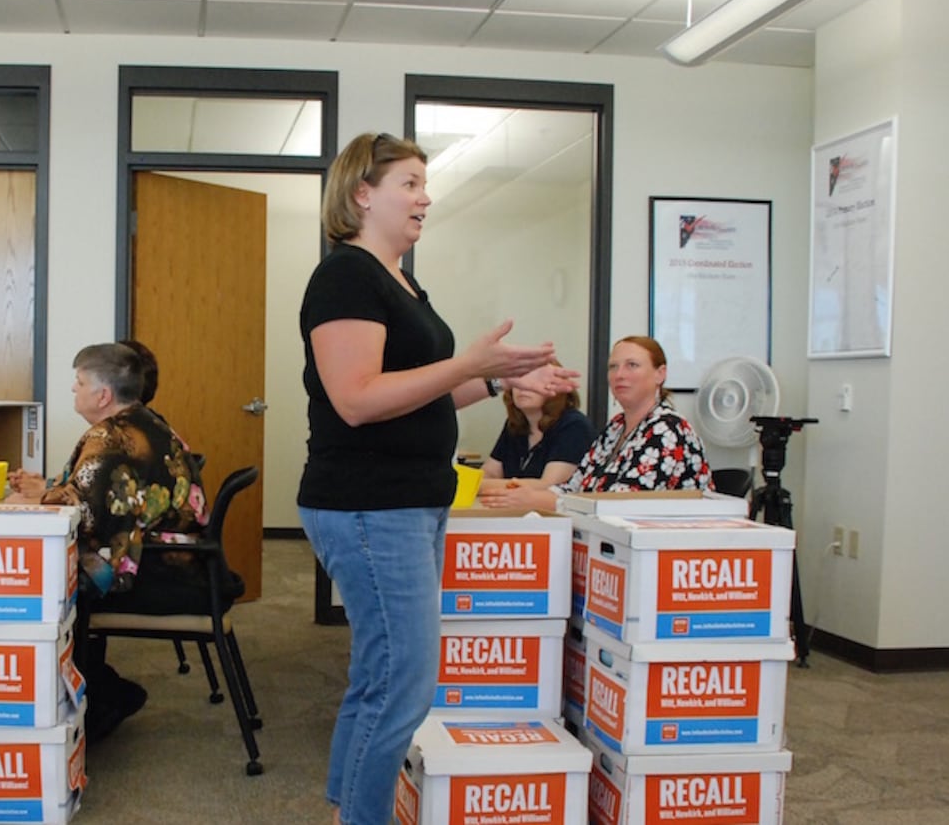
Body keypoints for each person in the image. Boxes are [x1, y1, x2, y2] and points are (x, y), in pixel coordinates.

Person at [296, 132, 577, 825]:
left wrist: (498, 378)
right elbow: (357, 399)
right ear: (363, 193)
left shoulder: (399, 281)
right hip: (369, 505)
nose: (426, 197)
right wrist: (467, 363)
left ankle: (347, 810)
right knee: (403, 687)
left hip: (408, 503)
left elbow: (414, 391)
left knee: (380, 679)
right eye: (411, 184)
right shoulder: (345, 276)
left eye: (426, 184)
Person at [7, 343, 209, 743]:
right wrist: (48, 491)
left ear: (103, 395)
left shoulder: (111, 437)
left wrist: (37, 499)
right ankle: (104, 692)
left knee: (47, 591)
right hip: (185, 563)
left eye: (80, 382)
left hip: (160, 574)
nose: (73, 389)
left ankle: (101, 697)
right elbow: (101, 496)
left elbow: (90, 513)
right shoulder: (145, 421)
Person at [562, 335, 714, 493]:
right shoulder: (616, 426)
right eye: (613, 366)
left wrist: (549, 500)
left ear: (660, 374)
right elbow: (574, 487)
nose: (619, 374)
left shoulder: (668, 429)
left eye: (632, 365)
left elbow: (623, 501)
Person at [474, 358, 597, 510]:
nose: (523, 387)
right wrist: (489, 484)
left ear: (556, 387)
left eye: (533, 381)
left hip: (554, 520)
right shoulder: (515, 424)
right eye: (518, 381)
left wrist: (483, 485)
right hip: (514, 513)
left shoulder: (574, 425)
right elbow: (488, 473)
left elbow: (548, 486)